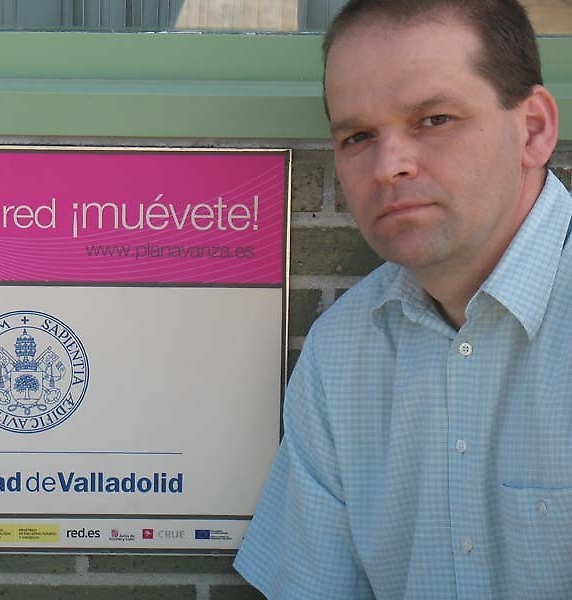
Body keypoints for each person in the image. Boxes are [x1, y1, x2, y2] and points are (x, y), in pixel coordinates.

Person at [234, 0, 571, 598]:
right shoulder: (342, 353)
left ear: (535, 129)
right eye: (358, 136)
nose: (388, 166)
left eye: (434, 119)